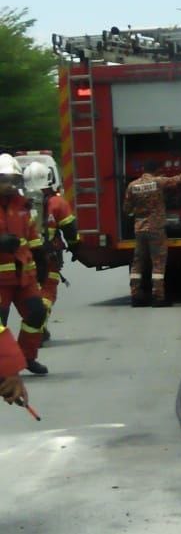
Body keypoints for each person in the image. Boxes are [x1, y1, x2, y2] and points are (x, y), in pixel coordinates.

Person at [0, 154, 50, 375]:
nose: (10, 185)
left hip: (23, 277)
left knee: (38, 313)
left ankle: (26, 357)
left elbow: (32, 236)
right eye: (5, 180)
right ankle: (4, 369)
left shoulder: (22, 205)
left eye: (14, 180)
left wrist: (41, 258)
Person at [24, 161, 79, 341]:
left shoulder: (19, 203)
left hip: (25, 256)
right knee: (47, 292)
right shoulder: (57, 202)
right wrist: (75, 246)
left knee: (31, 292)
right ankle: (37, 329)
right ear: (48, 178)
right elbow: (70, 229)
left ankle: (38, 327)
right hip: (49, 256)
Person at [123, 160, 181, 307]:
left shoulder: (132, 186)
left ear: (143, 169)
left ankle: (135, 296)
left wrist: (137, 213)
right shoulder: (158, 182)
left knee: (138, 262)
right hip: (156, 228)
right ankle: (158, 297)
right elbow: (178, 179)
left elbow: (127, 209)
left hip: (139, 229)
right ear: (157, 170)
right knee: (158, 262)